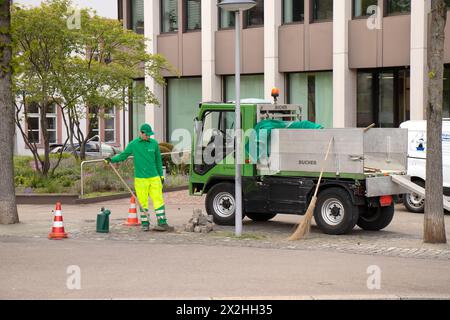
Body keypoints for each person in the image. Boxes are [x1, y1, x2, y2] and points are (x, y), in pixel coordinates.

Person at [105, 124, 170, 232]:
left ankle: (162, 222)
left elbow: (158, 160)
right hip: (140, 179)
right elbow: (123, 155)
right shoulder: (133, 144)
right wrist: (111, 159)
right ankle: (145, 223)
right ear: (141, 133)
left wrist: (161, 175)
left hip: (154, 177)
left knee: (158, 200)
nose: (149, 137)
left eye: (150, 135)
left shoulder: (154, 144)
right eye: (147, 135)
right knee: (142, 202)